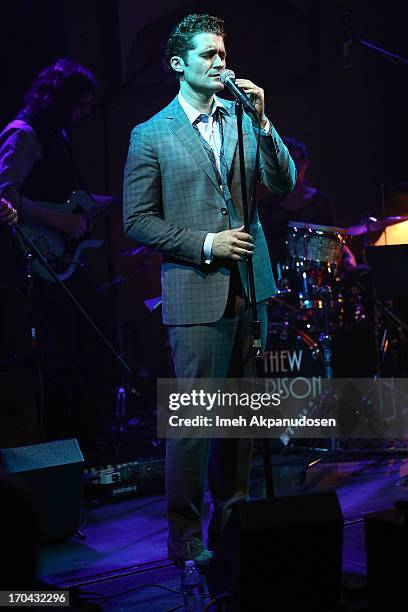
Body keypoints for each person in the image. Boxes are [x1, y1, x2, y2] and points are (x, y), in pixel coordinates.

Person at [123, 14, 296, 567]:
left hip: (251, 287)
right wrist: (205, 243)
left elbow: (284, 183)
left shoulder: (242, 119)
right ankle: (183, 535)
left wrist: (265, 123)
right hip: (197, 292)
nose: (221, 62)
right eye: (208, 55)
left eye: (223, 52)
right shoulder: (150, 135)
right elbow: (136, 220)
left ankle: (235, 518)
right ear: (179, 64)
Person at [0, 58, 118, 447]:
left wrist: (123, 200)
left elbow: (73, 200)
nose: (85, 113)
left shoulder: (57, 136)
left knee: (87, 352)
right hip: (35, 262)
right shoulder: (23, 134)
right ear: (59, 100)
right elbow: (6, 196)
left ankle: (88, 449)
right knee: (59, 361)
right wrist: (60, 222)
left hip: (62, 263)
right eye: (80, 104)